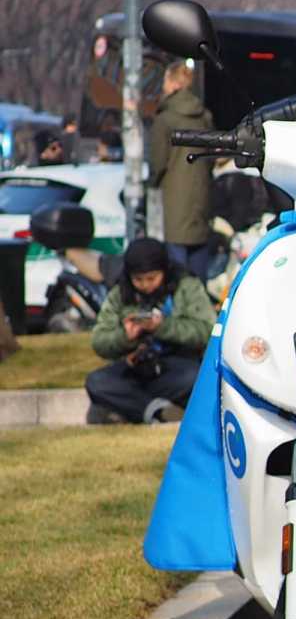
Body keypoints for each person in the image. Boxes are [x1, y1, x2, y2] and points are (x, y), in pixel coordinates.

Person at [86, 236, 214, 424]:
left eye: (151, 278)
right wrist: (125, 337)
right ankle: (157, 411)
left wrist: (163, 327)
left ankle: (131, 408)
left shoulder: (186, 286)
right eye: (138, 279)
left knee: (196, 377)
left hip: (176, 367)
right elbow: (99, 340)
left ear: (164, 271)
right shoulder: (120, 294)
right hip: (134, 368)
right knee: (96, 381)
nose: (145, 285)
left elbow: (207, 330)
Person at [149, 60, 216, 280]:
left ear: (173, 84)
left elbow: (158, 164)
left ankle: (180, 311)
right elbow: (211, 158)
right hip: (202, 200)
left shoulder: (165, 119)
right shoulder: (204, 116)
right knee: (199, 272)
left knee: (176, 272)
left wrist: (150, 186)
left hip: (175, 201)